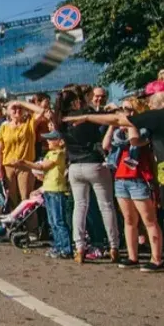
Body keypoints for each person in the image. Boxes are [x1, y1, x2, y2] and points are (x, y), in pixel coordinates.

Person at [66, 81, 164, 275]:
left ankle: (156, 257)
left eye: (150, 99)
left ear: (160, 99)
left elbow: (119, 121)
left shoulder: (162, 116)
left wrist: (87, 116)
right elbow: (135, 138)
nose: (149, 104)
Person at [53, 88, 120, 264]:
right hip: (94, 162)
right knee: (106, 206)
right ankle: (114, 246)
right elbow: (105, 120)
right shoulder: (86, 115)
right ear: (77, 101)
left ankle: (80, 247)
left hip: (74, 166)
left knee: (80, 207)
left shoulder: (60, 120)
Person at [103, 98, 164, 272]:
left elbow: (135, 141)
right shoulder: (119, 134)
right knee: (129, 220)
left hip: (139, 179)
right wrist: (113, 123)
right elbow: (106, 145)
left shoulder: (143, 131)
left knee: (149, 220)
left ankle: (157, 259)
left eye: (128, 109)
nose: (124, 112)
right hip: (121, 179)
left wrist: (129, 123)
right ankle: (132, 256)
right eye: (122, 109)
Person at [13, 130, 72, 258]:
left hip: (57, 190)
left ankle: (66, 248)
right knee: (52, 221)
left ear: (60, 141)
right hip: (49, 189)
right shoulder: (50, 153)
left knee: (58, 220)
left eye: (51, 139)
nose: (48, 141)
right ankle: (58, 246)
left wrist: (24, 163)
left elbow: (42, 167)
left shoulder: (58, 153)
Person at [0, 100, 47, 237]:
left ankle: (32, 230)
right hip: (8, 166)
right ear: (8, 111)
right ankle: (15, 227)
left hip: (25, 166)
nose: (17, 111)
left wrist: (21, 103)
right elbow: (0, 149)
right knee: (11, 198)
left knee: (26, 197)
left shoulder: (29, 124)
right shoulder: (4, 127)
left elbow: (41, 111)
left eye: (20, 109)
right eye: (14, 108)